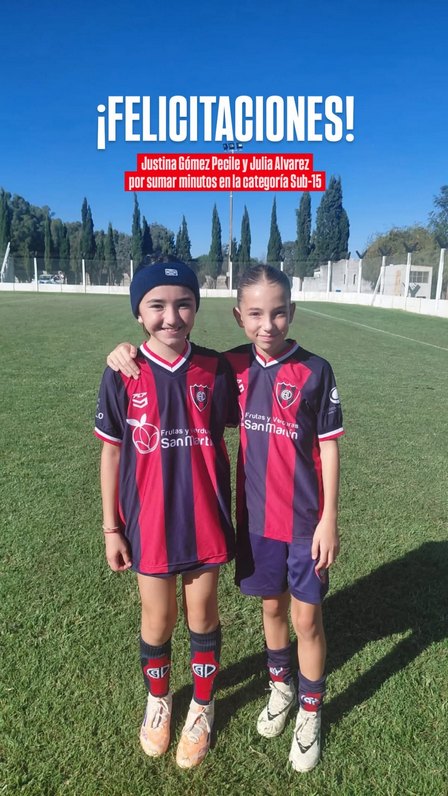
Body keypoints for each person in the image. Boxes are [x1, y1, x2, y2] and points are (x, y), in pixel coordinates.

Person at [107, 263, 344, 773]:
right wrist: (122, 350)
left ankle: (277, 709)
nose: (267, 324)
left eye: (277, 313)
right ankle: (244, 691)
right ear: (239, 317)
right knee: (252, 612)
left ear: (291, 312)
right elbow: (122, 437)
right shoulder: (204, 368)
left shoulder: (270, 370)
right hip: (226, 522)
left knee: (288, 618)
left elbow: (325, 445)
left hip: (272, 520)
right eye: (255, 314)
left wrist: (329, 517)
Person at [95, 257, 238, 769]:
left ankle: (202, 705)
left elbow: (263, 377)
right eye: (156, 305)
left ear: (197, 308)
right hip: (148, 522)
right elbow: (112, 452)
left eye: (184, 304)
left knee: (202, 616)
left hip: (204, 518)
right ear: (139, 312)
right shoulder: (123, 372)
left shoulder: (216, 369)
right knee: (158, 619)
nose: (171, 317)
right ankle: (159, 700)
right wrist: (111, 527)